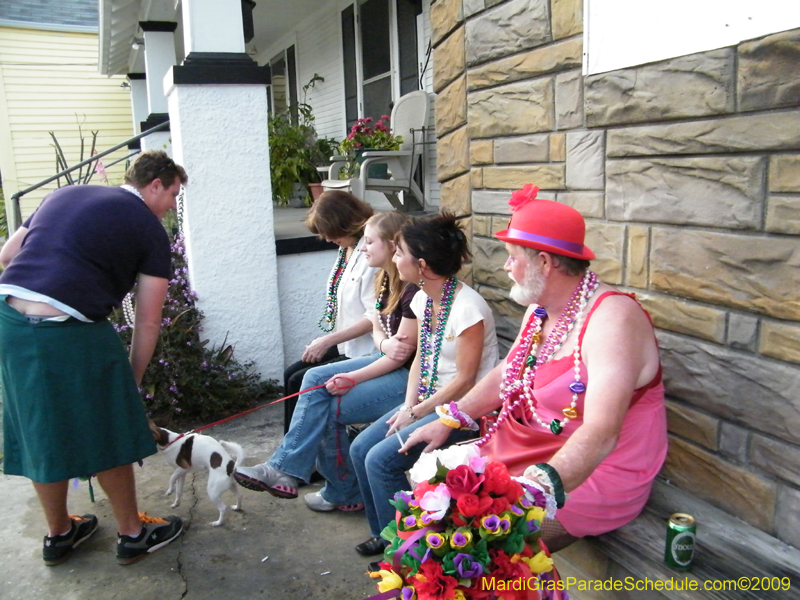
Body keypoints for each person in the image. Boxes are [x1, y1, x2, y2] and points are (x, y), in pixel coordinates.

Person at [401, 185, 668, 552]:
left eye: (513, 257)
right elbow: (506, 374)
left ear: (545, 262)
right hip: (533, 449)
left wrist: (538, 487)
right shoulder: (540, 309)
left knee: (472, 545)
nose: (506, 267)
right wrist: (449, 418)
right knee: (432, 506)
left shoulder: (613, 321)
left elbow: (603, 433)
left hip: (597, 471)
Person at [0, 150, 188, 566]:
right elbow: (148, 321)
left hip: (8, 321)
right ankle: (133, 533)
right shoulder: (149, 229)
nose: (172, 206)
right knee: (108, 427)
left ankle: (60, 533)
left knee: (39, 429)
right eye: (173, 194)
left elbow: (8, 256)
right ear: (154, 184)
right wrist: (130, 381)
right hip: (69, 329)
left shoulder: (65, 194)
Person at [235, 212, 418, 510]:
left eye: (369, 242)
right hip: (385, 359)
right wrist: (383, 341)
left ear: (392, 244)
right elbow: (377, 328)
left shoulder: (411, 288)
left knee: (321, 405)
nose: (362, 248)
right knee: (311, 381)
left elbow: (399, 356)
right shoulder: (385, 279)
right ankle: (298, 473)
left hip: (405, 377)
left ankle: (330, 486)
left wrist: (362, 367)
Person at [350, 212, 499, 556]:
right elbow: (419, 357)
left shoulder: (467, 309)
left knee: (382, 461)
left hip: (461, 412)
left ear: (420, 264)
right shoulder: (421, 297)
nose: (395, 258)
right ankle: (385, 535)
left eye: (399, 252)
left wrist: (417, 411)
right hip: (428, 404)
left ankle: (408, 555)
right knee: (360, 449)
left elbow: (464, 380)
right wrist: (407, 407)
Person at [281, 190, 379, 433]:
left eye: (329, 231)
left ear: (346, 222)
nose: (325, 238)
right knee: (291, 374)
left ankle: (301, 459)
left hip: (365, 347)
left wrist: (327, 340)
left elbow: (374, 315)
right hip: (347, 341)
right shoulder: (345, 249)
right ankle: (293, 453)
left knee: (300, 381)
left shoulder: (370, 254)